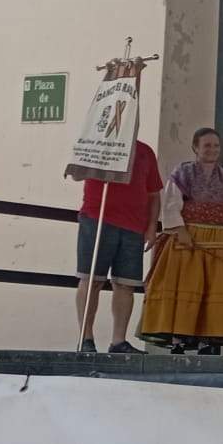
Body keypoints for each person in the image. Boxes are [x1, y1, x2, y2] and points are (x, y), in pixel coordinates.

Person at [141, 127, 223, 355]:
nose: (212, 150)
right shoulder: (183, 173)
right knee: (186, 288)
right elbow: (172, 203)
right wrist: (180, 229)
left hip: (219, 241)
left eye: (215, 146)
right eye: (207, 145)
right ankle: (179, 338)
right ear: (195, 147)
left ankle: (209, 339)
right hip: (189, 241)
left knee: (214, 290)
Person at [74, 132, 163, 355]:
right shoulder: (97, 141)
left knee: (126, 284)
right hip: (98, 218)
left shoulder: (145, 151)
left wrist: (152, 225)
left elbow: (154, 193)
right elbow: (76, 172)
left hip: (133, 225)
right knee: (91, 279)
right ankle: (86, 338)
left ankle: (118, 341)